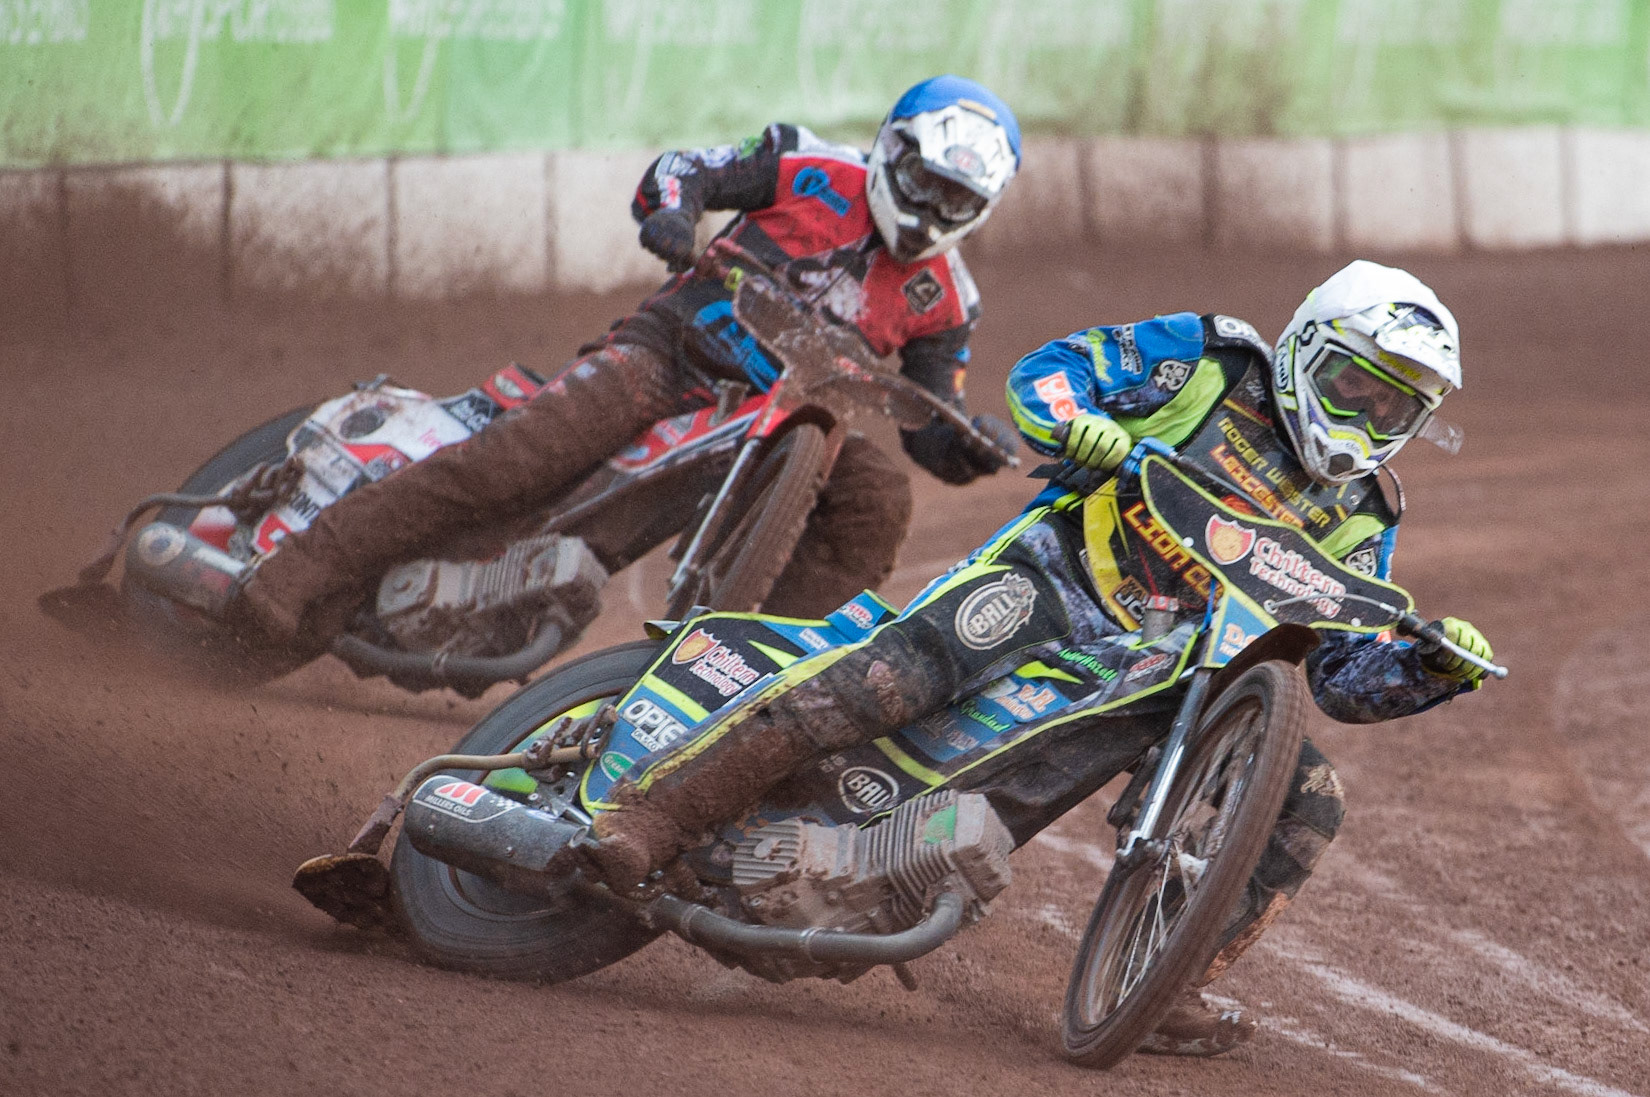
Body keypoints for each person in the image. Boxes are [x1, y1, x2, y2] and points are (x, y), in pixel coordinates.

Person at [573, 260, 1496, 1056]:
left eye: (1394, 407)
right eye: (1355, 387)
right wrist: (1080, 425)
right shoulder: (1213, 361)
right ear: (1306, 348)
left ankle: (1162, 977)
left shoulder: (1369, 511)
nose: (1368, 417)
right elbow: (1055, 372)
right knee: (896, 674)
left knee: (1312, 797)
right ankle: (651, 815)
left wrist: (1430, 667)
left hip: (1173, 672)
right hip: (1062, 572)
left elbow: (1339, 671)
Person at [234, 75, 1023, 650]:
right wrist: (675, 220)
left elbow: (926, 418)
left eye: (955, 201)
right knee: (514, 462)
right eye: (922, 180)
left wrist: (968, 445)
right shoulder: (806, 164)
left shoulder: (946, 298)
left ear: (980, 210)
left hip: (792, 425)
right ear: (894, 149)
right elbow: (683, 170)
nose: (930, 209)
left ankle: (745, 682)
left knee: (878, 500)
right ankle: (297, 568)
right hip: (670, 356)